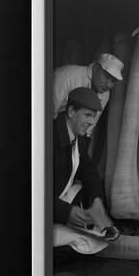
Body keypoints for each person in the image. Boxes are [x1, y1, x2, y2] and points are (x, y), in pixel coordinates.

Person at [53, 87, 119, 240]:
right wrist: (65, 212)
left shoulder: (78, 138)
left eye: (93, 117)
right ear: (71, 112)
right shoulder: (49, 137)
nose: (91, 122)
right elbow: (34, 191)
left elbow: (89, 170)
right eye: (87, 115)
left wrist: (97, 201)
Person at [52, 53, 124, 128]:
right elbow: (47, 115)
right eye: (106, 76)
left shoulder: (105, 93)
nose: (108, 85)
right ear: (96, 68)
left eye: (113, 81)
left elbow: (91, 124)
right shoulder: (65, 76)